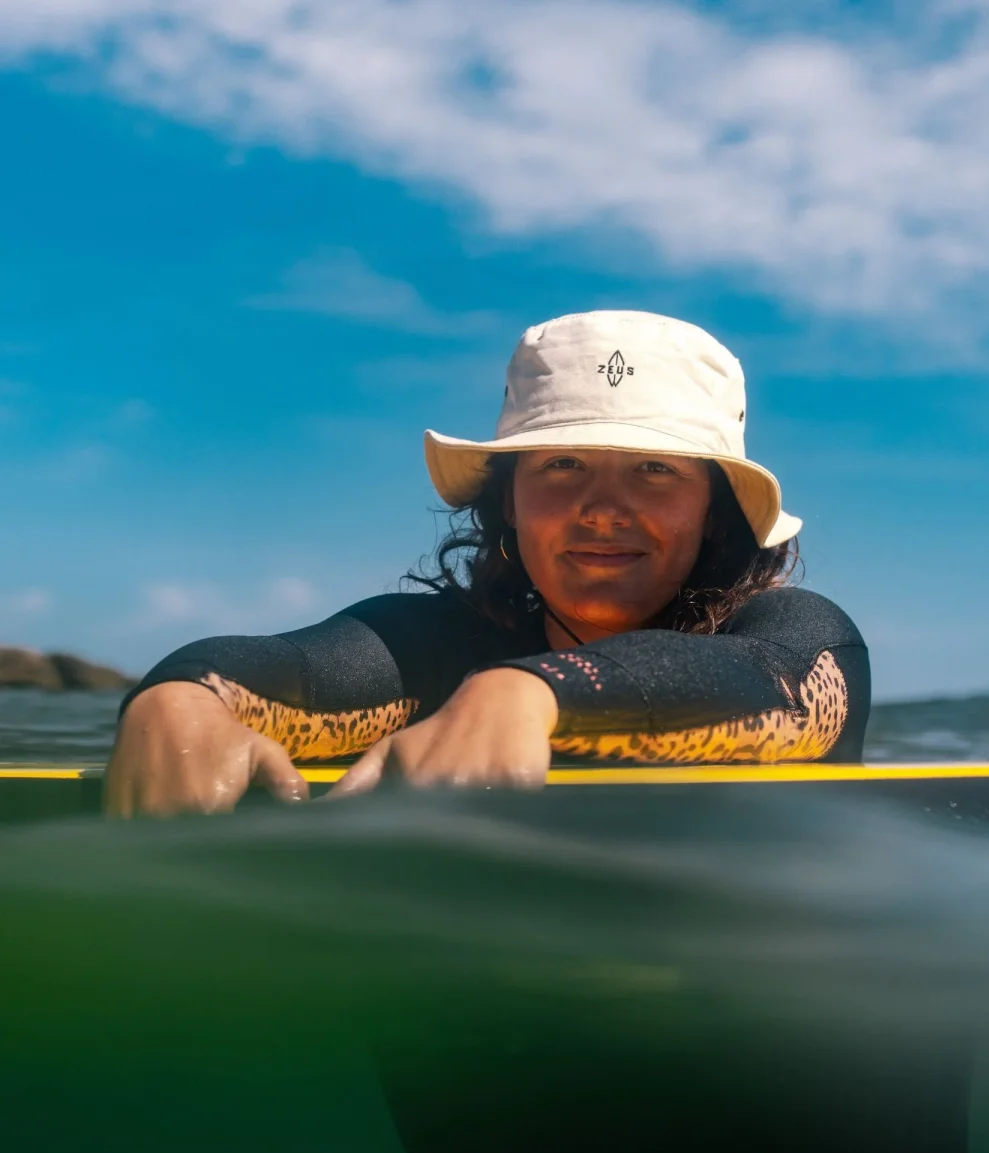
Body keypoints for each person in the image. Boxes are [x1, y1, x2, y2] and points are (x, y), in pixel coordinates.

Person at [106, 310, 870, 816]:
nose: (604, 509)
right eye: (564, 465)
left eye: (654, 470)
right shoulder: (445, 651)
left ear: (714, 511)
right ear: (509, 501)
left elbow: (790, 687)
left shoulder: (792, 635)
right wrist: (181, 700)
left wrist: (532, 694)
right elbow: (294, 670)